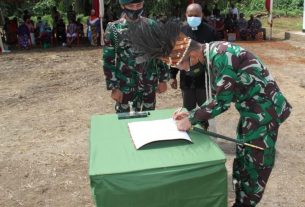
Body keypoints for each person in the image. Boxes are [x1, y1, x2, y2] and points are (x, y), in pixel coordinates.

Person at [127, 20, 292, 207]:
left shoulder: (221, 56)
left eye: (183, 66)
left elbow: (222, 102)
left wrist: (191, 119)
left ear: (194, 55)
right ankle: (241, 200)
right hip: (251, 110)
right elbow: (217, 96)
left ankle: (245, 203)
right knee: (243, 158)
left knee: (256, 163)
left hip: (265, 112)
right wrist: (190, 113)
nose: (185, 70)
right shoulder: (213, 53)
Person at [103, 0, 169, 113]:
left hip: (148, 84)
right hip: (125, 86)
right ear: (122, 5)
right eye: (130, 5)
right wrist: (114, 87)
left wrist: (163, 80)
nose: (135, 9)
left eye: (138, 5)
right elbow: (108, 60)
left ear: (143, 4)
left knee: (149, 118)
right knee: (124, 122)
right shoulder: (113, 29)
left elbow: (160, 55)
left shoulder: (152, 26)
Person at [170, 3, 219, 129]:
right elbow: (176, 56)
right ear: (186, 15)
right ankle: (190, 134)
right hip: (187, 79)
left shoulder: (210, 32)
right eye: (190, 15)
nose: (193, 17)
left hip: (204, 80)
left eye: (196, 15)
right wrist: (172, 75)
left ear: (202, 15)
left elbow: (216, 55)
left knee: (205, 109)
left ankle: (206, 132)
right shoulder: (181, 32)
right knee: (188, 109)